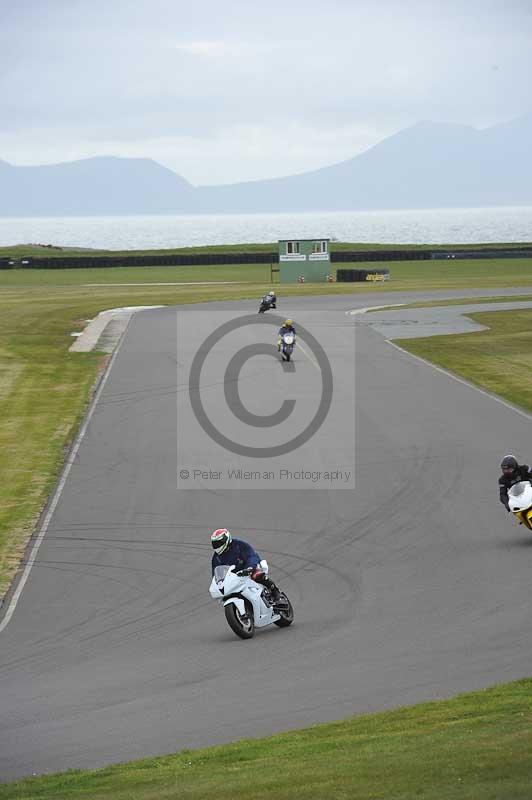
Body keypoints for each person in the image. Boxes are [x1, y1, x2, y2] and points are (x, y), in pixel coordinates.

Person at [211, 528, 281, 602]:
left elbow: (251, 556)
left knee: (257, 575)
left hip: (249, 568)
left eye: (218, 543)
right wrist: (219, 583)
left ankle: (274, 591)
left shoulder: (239, 545)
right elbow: (216, 573)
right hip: (234, 577)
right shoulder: (216, 557)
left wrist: (249, 568)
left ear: (226, 540)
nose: (216, 546)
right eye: (214, 544)